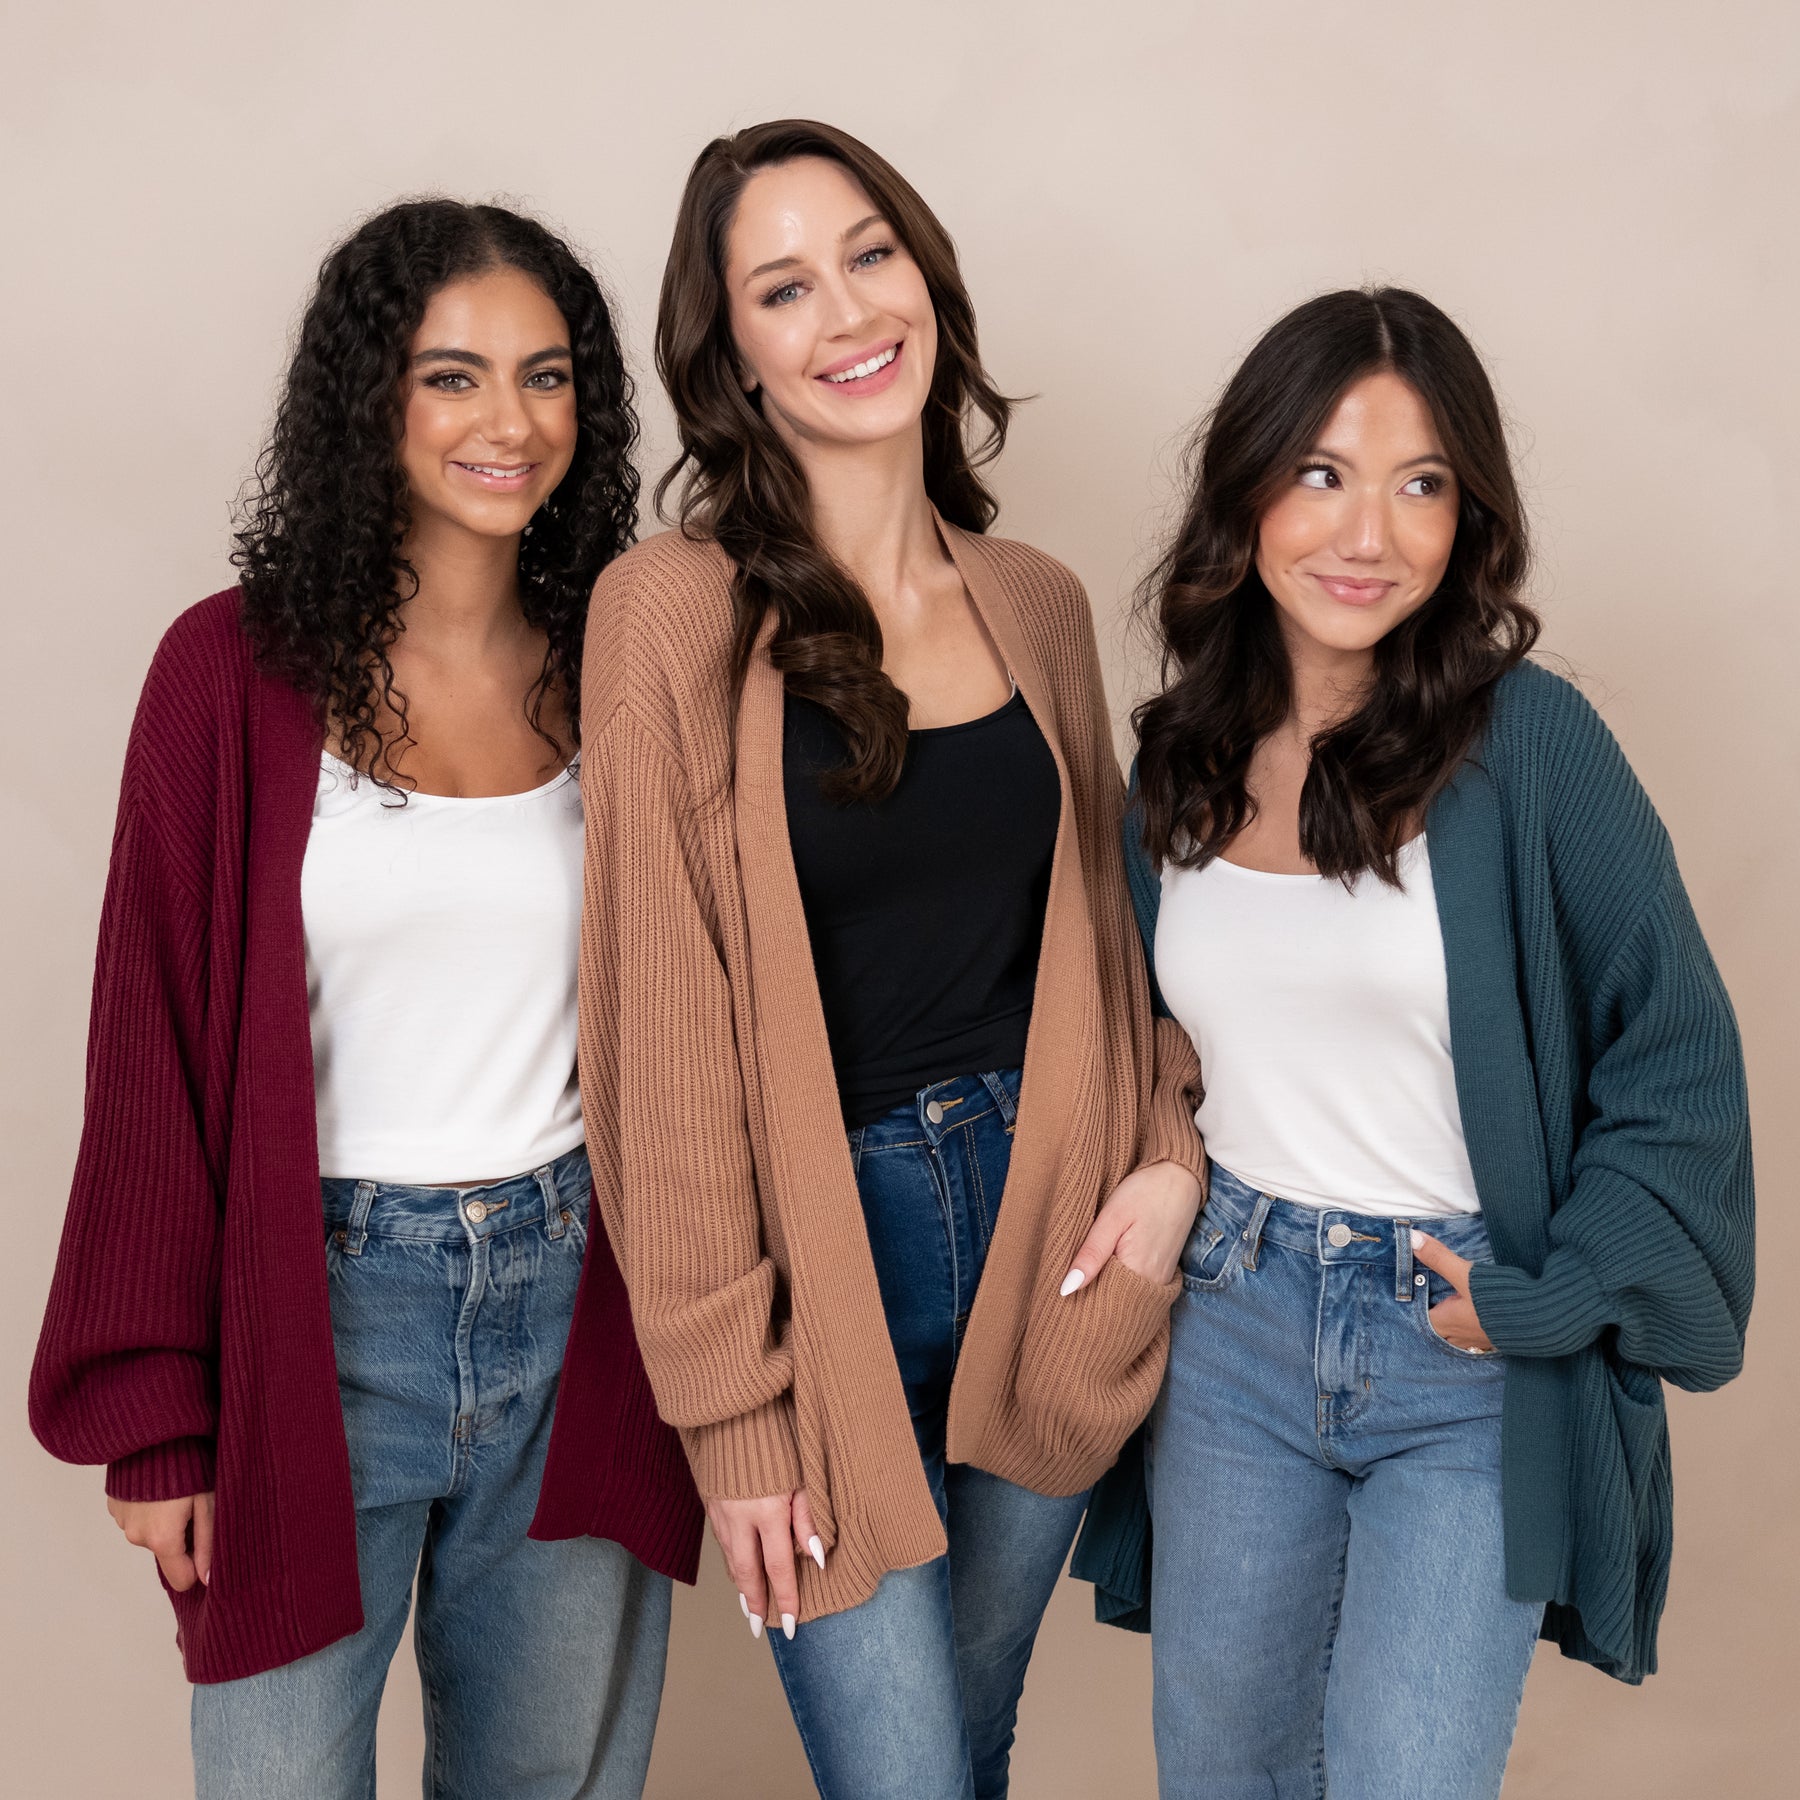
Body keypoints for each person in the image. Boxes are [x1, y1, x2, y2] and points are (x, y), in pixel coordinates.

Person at [544, 119, 1204, 1800]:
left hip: (1060, 1243)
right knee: (905, 1773)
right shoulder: (672, 611)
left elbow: (1130, 952)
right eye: (782, 286)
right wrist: (733, 1407)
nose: (843, 310)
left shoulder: (1036, 602)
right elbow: (657, 1033)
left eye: (868, 254)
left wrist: (1174, 1165)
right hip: (828, 1267)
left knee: (962, 1753)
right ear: (735, 358)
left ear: (926, 278)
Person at [29, 199, 699, 1800]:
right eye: (451, 376)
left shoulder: (620, 670)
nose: (507, 423)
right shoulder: (227, 677)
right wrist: (156, 1422)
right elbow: (152, 1054)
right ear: (371, 402)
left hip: (574, 1297)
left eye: (546, 378)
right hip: (313, 1324)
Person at [1100, 286, 1753, 1799]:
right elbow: (1137, 1036)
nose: (1368, 533)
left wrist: (1552, 1295)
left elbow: (1675, 1065)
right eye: (1323, 473)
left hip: (1461, 1351)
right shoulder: (1176, 759)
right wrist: (1167, 1164)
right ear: (1248, 490)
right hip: (1237, 1330)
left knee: (1407, 1775)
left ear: (1471, 518)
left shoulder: (1532, 746)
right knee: (1224, 1775)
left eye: (1422, 485)